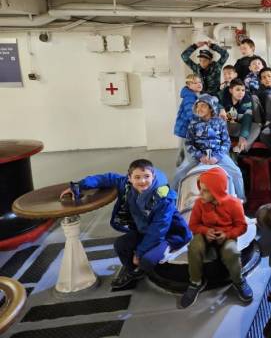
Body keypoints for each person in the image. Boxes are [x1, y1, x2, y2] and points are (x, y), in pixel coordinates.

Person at [60, 159, 191, 290]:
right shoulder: (126, 185)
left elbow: (158, 230)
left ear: (153, 176)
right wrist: (79, 185)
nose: (142, 181)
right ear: (129, 178)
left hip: (170, 234)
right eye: (137, 177)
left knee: (147, 259)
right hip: (143, 230)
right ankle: (132, 271)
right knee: (121, 245)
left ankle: (147, 270)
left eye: (146, 176)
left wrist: (139, 253)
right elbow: (106, 178)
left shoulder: (164, 198)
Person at [179, 167, 253, 308]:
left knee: (231, 252)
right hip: (205, 235)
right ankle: (195, 282)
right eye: (200, 188)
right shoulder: (199, 203)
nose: (200, 193)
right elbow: (193, 225)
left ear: (217, 191)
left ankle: (238, 280)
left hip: (227, 236)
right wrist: (205, 231)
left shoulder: (234, 204)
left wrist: (227, 234)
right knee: (195, 246)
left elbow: (241, 226)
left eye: (205, 190)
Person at [172, 94, 245, 201]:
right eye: (197, 106)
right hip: (198, 156)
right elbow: (188, 143)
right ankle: (173, 200)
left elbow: (226, 142)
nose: (199, 109)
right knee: (179, 174)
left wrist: (217, 157)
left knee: (236, 172)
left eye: (203, 106)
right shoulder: (193, 123)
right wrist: (199, 156)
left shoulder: (220, 122)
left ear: (210, 108)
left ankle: (240, 199)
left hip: (218, 155)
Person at [220, 78, 261, 152]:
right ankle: (223, 146)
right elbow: (214, 101)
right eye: (238, 90)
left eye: (243, 90)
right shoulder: (223, 95)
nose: (241, 93)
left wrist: (243, 136)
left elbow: (247, 118)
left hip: (239, 126)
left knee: (256, 127)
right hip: (226, 126)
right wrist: (221, 108)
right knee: (221, 117)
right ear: (231, 90)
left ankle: (241, 148)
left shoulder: (247, 99)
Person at [174, 74, 203, 165]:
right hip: (186, 128)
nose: (199, 84)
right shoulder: (190, 97)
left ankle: (180, 165)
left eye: (200, 82)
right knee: (187, 153)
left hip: (186, 127)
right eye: (195, 83)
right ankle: (183, 171)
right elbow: (191, 113)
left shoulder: (194, 94)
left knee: (182, 150)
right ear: (188, 85)